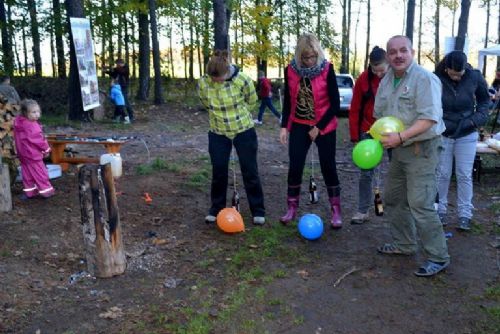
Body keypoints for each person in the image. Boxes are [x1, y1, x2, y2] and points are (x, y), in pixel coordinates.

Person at [374, 35, 449, 277]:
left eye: (403, 50)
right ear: (387, 56)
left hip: (422, 149)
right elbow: (380, 116)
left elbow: (429, 119)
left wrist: (401, 137)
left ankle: (438, 256)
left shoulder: (425, 79)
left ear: (412, 52)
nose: (398, 55)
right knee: (393, 198)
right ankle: (405, 244)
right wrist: (378, 137)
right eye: (393, 52)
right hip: (399, 151)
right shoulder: (386, 81)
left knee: (420, 203)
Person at [279, 33, 342, 228]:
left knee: (328, 166)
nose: (309, 61)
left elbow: (336, 104)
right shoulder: (290, 70)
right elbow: (289, 101)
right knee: (295, 166)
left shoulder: (327, 69)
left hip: (324, 124)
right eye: (305, 57)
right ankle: (291, 208)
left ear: (318, 54)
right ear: (299, 56)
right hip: (299, 124)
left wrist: (319, 127)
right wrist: (284, 127)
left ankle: (336, 210)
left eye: (312, 56)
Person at [198, 50, 266, 225]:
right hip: (217, 133)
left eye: (218, 77)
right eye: (212, 78)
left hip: (244, 130)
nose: (215, 81)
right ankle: (216, 209)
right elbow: (205, 103)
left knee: (250, 171)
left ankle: (258, 210)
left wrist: (237, 116)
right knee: (218, 171)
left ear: (226, 71)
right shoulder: (204, 83)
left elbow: (252, 101)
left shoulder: (242, 80)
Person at [434, 51, 490, 231]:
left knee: (464, 174)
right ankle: (439, 210)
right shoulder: (436, 78)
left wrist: (475, 120)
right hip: (444, 131)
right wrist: (437, 122)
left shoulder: (475, 77)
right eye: (453, 74)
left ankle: (465, 214)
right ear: (446, 67)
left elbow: (484, 101)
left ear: (465, 68)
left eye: (460, 74)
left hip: (467, 130)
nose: (457, 77)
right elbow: (430, 103)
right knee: (442, 174)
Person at [348, 46, 389, 224]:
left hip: (394, 131)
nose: (379, 74)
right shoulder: (363, 80)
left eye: (382, 70)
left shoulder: (397, 77)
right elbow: (355, 108)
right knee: (366, 173)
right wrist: (355, 137)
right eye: (375, 70)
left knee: (398, 172)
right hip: (368, 130)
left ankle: (398, 210)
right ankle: (362, 210)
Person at [13, 99, 54, 199]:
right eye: (34, 112)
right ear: (25, 113)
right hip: (33, 155)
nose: (37, 115)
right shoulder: (32, 126)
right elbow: (39, 141)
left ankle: (30, 192)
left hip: (23, 154)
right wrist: (47, 149)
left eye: (38, 112)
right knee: (40, 173)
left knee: (27, 175)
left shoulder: (19, 122)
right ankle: (46, 191)